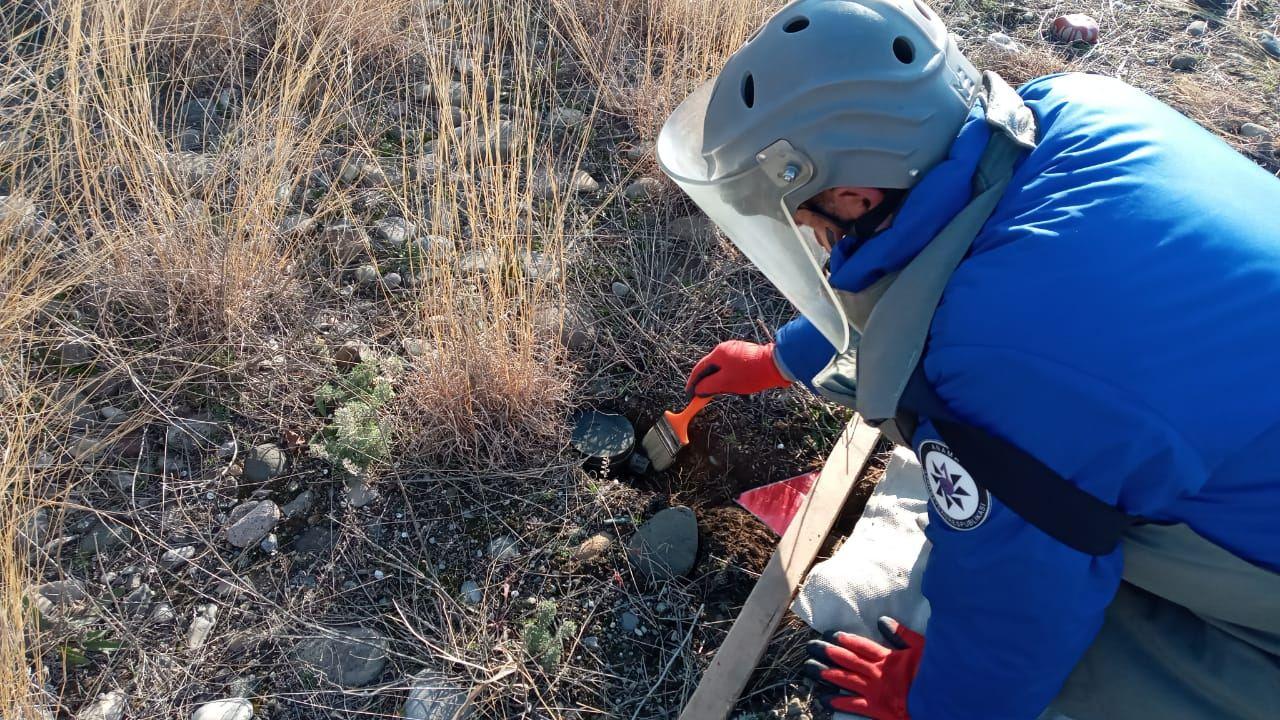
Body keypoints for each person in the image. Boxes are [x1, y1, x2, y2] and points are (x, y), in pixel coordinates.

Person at [655, 1, 1280, 719]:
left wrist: (933, 698)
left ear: (856, 194)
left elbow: (1014, 619)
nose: (812, 241)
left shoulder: (998, 367)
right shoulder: (1062, 108)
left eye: (807, 222)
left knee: (1052, 652)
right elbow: (916, 264)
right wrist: (778, 359)